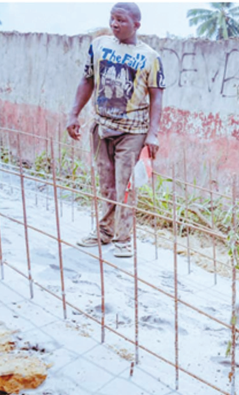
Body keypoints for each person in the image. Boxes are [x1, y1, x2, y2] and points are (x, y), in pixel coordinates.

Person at [66, 2, 165, 258]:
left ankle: (124, 239)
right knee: (106, 185)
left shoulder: (150, 57)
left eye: (121, 20)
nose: (114, 24)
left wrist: (153, 134)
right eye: (112, 19)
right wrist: (73, 114)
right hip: (101, 127)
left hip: (132, 132)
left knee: (126, 186)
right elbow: (86, 80)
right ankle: (103, 232)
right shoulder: (99, 46)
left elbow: (157, 97)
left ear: (136, 25)